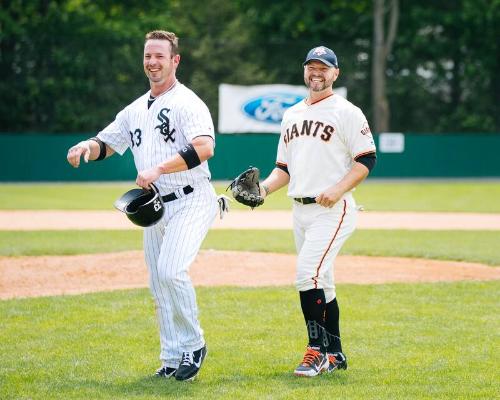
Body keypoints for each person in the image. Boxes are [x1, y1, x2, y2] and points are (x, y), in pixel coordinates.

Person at [66, 30, 218, 382]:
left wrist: (160, 168)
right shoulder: (135, 109)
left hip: (191, 199)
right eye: (148, 56)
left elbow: (205, 148)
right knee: (158, 283)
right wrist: (86, 147)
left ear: (175, 60)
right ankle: (170, 356)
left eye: (160, 56)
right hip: (154, 208)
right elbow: (108, 142)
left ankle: (194, 346)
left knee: (171, 271)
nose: (152, 62)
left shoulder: (188, 103)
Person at [258, 46, 377, 377]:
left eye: (324, 67)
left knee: (305, 274)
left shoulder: (347, 112)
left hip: (333, 209)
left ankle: (317, 351)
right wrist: (264, 189)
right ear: (304, 70)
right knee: (322, 282)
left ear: (335, 73)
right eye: (312, 66)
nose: (317, 72)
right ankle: (336, 353)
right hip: (300, 210)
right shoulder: (291, 114)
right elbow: (283, 168)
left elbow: (366, 158)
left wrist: (338, 189)